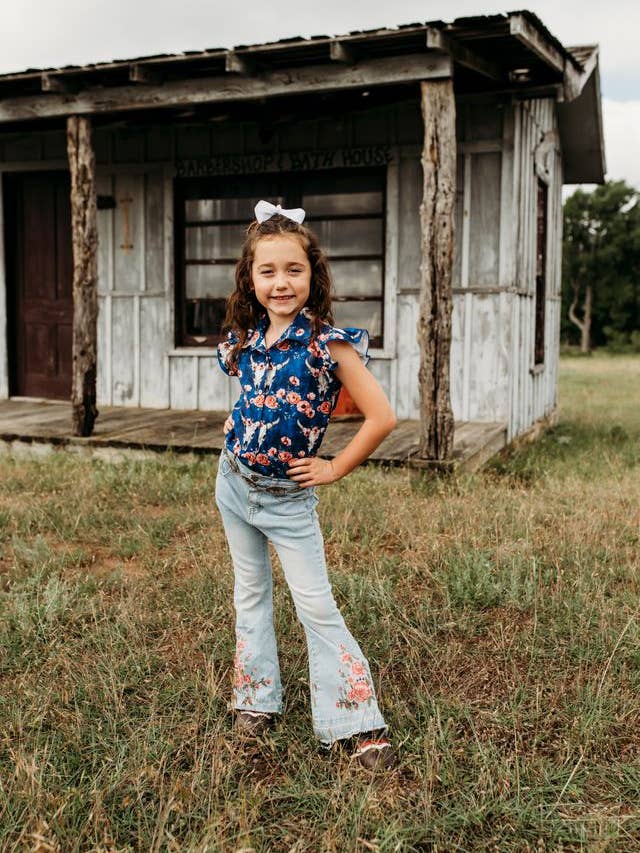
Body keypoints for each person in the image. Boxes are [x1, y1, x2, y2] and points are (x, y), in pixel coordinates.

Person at [214, 199, 397, 770]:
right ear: (250, 278)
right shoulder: (244, 339)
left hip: (288, 501)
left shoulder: (328, 343)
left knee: (315, 607)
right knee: (250, 593)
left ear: (313, 274)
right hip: (234, 486)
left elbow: (382, 417)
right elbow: (254, 393)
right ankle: (256, 700)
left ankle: (356, 723)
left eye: (293, 270)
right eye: (267, 271)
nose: (281, 282)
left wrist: (334, 466)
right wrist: (237, 425)